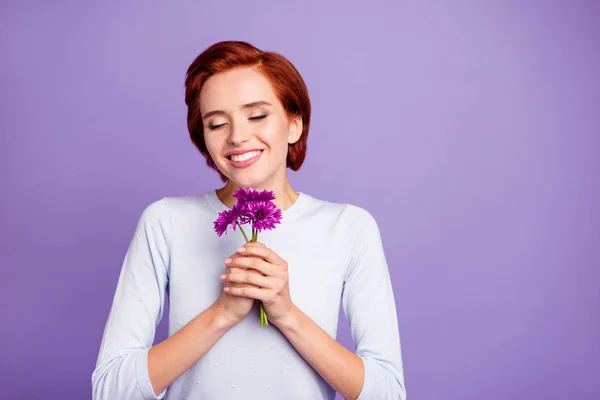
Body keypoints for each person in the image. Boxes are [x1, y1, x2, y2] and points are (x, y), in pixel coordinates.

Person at [92, 40, 407, 400]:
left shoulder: (349, 227)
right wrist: (222, 314)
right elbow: (111, 390)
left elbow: (388, 394)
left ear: (294, 125)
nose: (237, 136)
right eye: (217, 123)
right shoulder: (165, 221)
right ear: (204, 140)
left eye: (257, 115)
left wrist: (286, 314)